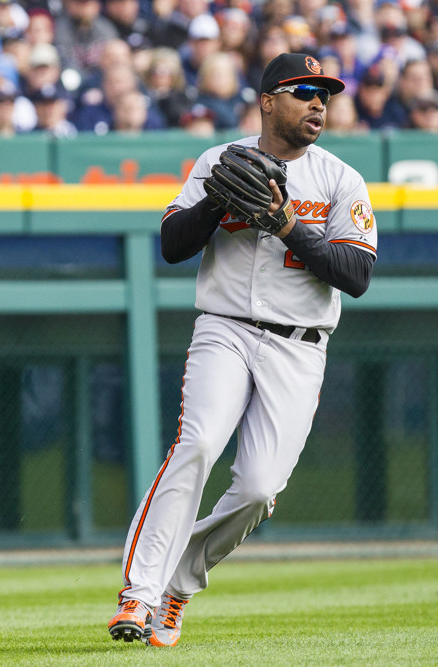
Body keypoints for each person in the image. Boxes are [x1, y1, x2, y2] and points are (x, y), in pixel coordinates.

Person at [107, 52, 377, 648]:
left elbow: (355, 274)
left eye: (324, 96)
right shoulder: (217, 161)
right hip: (224, 329)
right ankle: (139, 595)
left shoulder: (340, 179)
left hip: (299, 345)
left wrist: (285, 225)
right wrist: (216, 202)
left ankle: (179, 582)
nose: (317, 104)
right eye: (303, 91)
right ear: (267, 100)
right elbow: (173, 244)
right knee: (198, 443)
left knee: (258, 487)